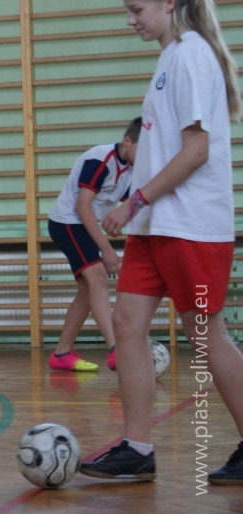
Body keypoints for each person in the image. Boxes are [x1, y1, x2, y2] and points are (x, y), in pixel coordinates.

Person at [80, 0, 243, 484]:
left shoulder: (191, 54)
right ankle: (137, 448)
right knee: (127, 324)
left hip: (191, 226)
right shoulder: (170, 56)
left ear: (169, 2)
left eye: (137, 9)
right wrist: (140, 210)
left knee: (206, 335)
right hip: (154, 227)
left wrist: (134, 201)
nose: (130, 20)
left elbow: (196, 152)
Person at [48, 117, 141, 372]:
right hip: (67, 222)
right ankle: (115, 348)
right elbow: (82, 206)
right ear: (127, 140)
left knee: (87, 291)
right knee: (98, 277)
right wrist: (107, 249)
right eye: (143, 149)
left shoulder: (132, 169)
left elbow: (130, 203)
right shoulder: (100, 160)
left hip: (84, 225)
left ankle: (61, 354)